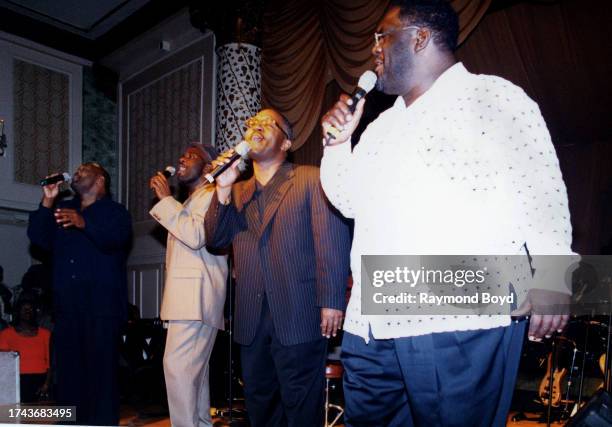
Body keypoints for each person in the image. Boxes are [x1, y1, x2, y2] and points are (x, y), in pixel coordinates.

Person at [320, 0, 573, 425]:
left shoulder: (492, 96)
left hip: (458, 309)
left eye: (382, 36)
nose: (373, 49)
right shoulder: (381, 127)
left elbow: (541, 188)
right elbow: (347, 199)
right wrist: (337, 144)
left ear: (419, 37)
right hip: (372, 320)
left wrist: (553, 276)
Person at [205, 109, 351, 426]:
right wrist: (223, 188)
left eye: (266, 123)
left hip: (299, 312)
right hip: (251, 318)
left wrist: (332, 300)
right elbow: (215, 239)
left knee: (301, 406)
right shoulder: (237, 191)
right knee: (260, 403)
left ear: (286, 143)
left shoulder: (310, 178)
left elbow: (332, 239)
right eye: (251, 123)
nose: (255, 127)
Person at [27, 162, 132, 426]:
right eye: (78, 169)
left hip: (101, 308)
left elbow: (116, 240)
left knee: (101, 376)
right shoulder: (64, 209)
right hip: (67, 307)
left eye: (86, 169)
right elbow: (38, 238)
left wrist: (85, 224)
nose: (78, 170)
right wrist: (48, 201)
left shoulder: (115, 212)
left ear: (100, 181)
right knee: (68, 374)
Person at [149, 143, 228, 427]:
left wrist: (165, 199)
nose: (182, 158)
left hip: (195, 299)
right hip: (190, 300)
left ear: (208, 167)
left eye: (191, 156)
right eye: (181, 154)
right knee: (193, 375)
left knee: (179, 370)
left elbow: (196, 236)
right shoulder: (192, 201)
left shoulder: (212, 196)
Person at [0, 299, 51, 403]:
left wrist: (46, 384)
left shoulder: (46, 334)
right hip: (16, 382)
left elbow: (50, 363)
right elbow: (3, 365)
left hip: (40, 382)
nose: (28, 311)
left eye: (30, 309)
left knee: (38, 417)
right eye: (24, 309)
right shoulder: (6, 334)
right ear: (18, 312)